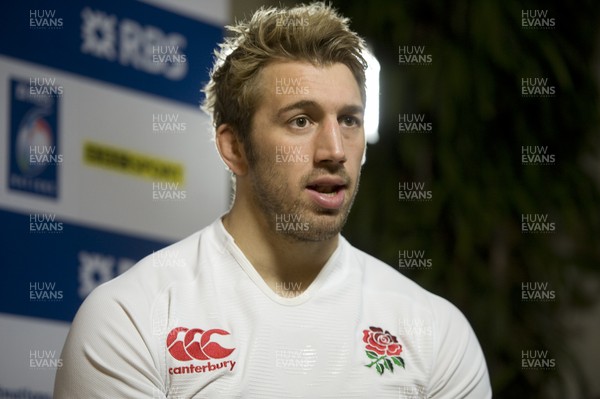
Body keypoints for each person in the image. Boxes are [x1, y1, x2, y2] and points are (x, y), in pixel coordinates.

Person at [54, 3, 491, 398]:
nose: (334, 150)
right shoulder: (130, 320)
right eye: (301, 120)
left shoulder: (435, 332)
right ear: (234, 148)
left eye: (349, 120)